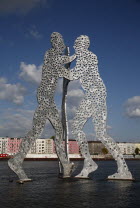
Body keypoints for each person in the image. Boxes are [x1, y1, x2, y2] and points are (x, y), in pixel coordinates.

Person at [8, 32, 76, 181]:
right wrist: (75, 57)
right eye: (59, 40)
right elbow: (66, 68)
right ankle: (17, 161)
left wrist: (71, 63)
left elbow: (65, 70)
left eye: (62, 40)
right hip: (45, 97)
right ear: (54, 42)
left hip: (48, 100)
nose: (61, 42)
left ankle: (65, 165)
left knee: (56, 130)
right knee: (38, 131)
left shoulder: (55, 61)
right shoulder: (51, 54)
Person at [67, 35, 133, 180]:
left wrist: (56, 70)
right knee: (100, 133)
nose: (74, 47)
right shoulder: (87, 56)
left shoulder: (87, 56)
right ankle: (122, 169)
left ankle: (90, 162)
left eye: (76, 45)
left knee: (78, 127)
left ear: (83, 45)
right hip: (97, 94)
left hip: (94, 94)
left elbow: (74, 74)